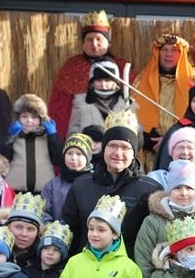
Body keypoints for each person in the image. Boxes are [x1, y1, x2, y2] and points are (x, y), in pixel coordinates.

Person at [62, 108, 161, 256]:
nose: (118, 153)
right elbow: (70, 230)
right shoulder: (81, 185)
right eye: (113, 146)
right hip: (86, 264)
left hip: (130, 267)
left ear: (133, 153)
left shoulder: (150, 189)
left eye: (125, 147)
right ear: (104, 148)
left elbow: (155, 239)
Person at [48, 10, 132, 140]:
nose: (94, 44)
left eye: (99, 39)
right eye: (89, 39)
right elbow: (59, 105)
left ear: (108, 42)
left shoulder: (123, 68)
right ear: (83, 43)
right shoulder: (71, 67)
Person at [134, 32, 195, 172]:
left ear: (181, 54)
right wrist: (148, 139)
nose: (168, 54)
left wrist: (169, 140)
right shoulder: (143, 79)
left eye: (174, 50)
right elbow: (132, 113)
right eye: (164, 50)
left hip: (182, 151)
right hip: (148, 150)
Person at [2, 93, 62, 194]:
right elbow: (3, 158)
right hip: (15, 191)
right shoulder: (13, 136)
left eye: (34, 117)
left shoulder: (47, 137)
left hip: (43, 191)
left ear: (41, 119)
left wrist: (53, 136)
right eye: (24, 116)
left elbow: (58, 159)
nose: (29, 121)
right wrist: (10, 137)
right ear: (17, 117)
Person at [68, 59, 134, 137]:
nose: (103, 85)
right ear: (92, 82)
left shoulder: (127, 104)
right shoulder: (81, 104)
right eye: (99, 80)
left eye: (107, 80)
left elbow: (137, 137)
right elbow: (73, 134)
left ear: (115, 82)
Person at [145, 126, 195, 195]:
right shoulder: (156, 178)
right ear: (172, 152)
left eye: (190, 147)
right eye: (180, 147)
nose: (185, 152)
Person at [41, 132, 94, 223]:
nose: (73, 158)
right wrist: (52, 228)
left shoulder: (96, 183)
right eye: (69, 153)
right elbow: (44, 213)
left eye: (79, 154)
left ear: (88, 158)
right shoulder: (52, 186)